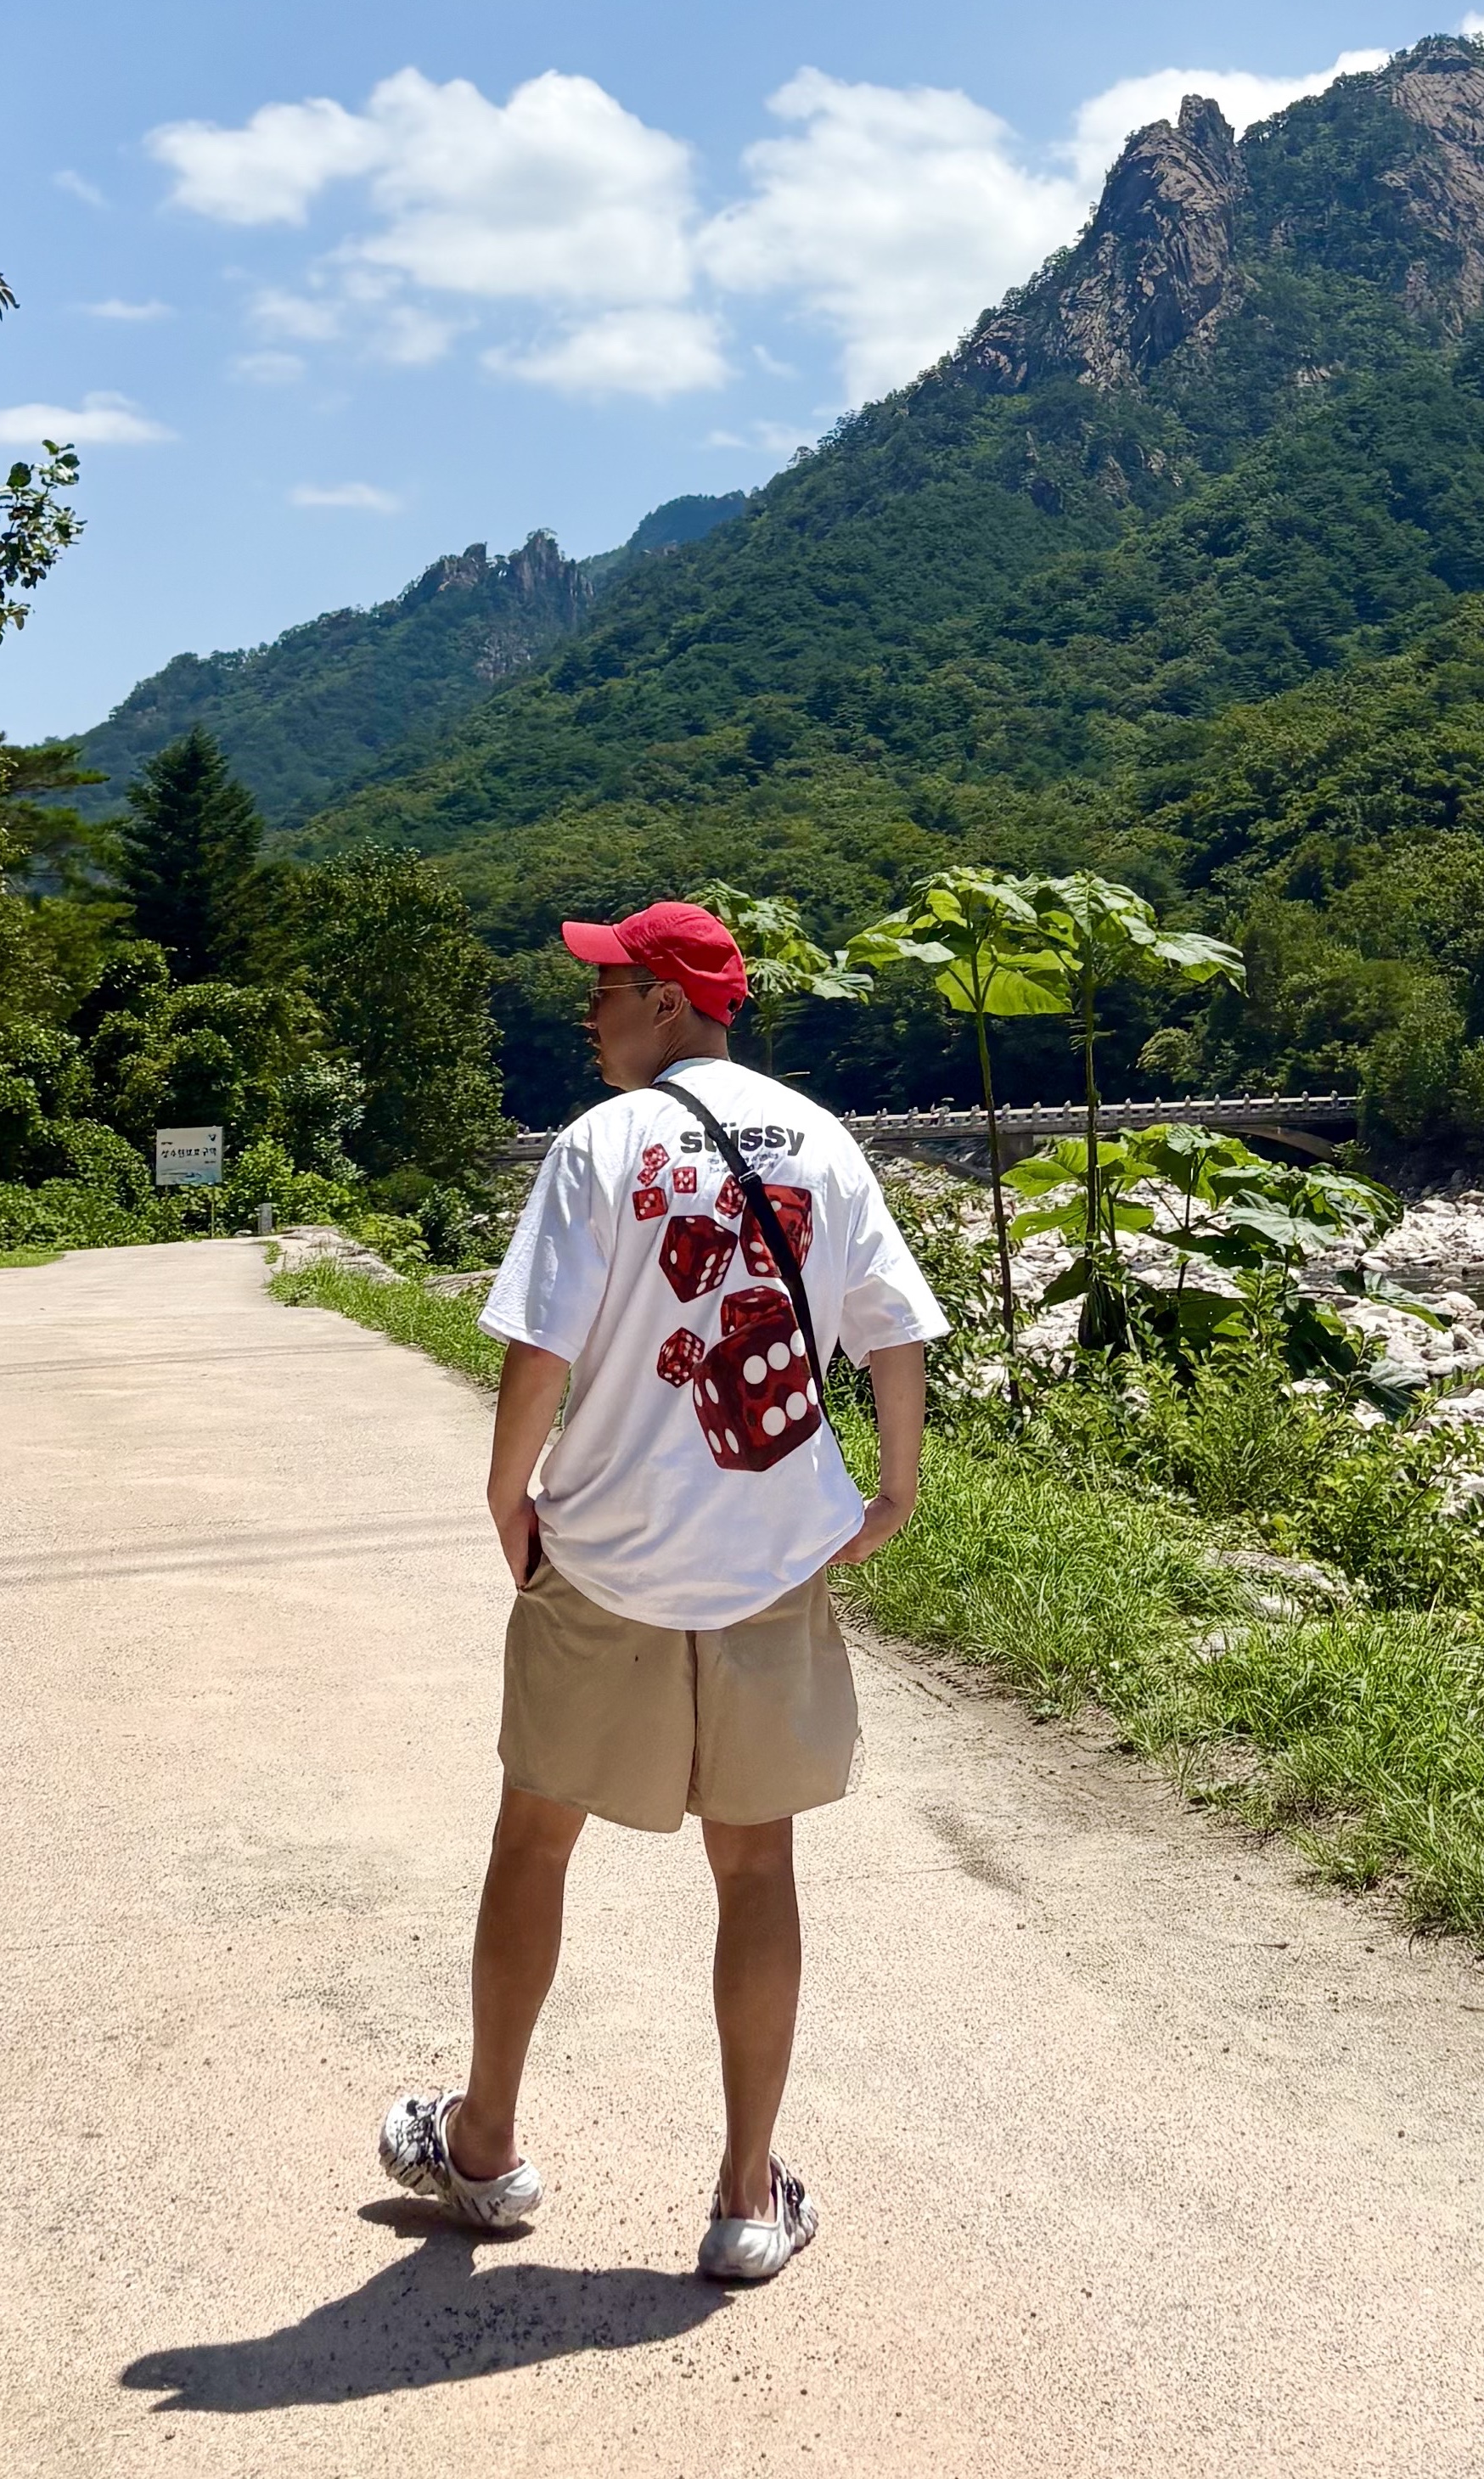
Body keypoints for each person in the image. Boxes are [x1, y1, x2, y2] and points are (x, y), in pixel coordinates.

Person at [380, 898, 944, 2286]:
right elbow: (893, 1328)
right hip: (770, 1558)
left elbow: (539, 1347)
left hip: (606, 1552)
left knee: (535, 1837)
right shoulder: (821, 1139)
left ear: (668, 1001)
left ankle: (485, 2147)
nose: (588, 1012)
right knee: (753, 1863)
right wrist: (893, 1489)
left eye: (605, 987)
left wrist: (506, 1495)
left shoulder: (600, 1144)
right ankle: (747, 2199)